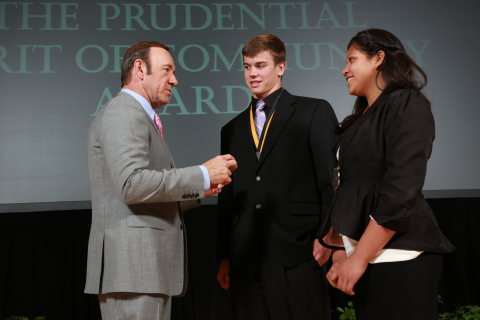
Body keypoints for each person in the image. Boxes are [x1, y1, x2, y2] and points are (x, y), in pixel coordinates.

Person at [84, 41, 237, 320]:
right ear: (140, 69)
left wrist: (200, 187)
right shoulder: (124, 111)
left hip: (142, 272)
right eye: (167, 70)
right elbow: (131, 184)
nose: (175, 80)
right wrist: (201, 174)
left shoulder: (139, 114)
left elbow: (141, 190)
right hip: (134, 270)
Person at [319, 29, 455, 320]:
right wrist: (340, 249)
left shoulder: (407, 102)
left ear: (379, 58)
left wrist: (359, 257)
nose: (344, 70)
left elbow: (400, 191)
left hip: (401, 259)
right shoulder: (360, 118)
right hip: (369, 260)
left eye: (351, 59)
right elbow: (349, 189)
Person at [216, 34, 338, 320]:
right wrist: (224, 255)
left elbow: (330, 181)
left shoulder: (313, 110)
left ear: (280, 67)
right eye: (247, 67)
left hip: (298, 249)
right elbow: (228, 196)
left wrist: (327, 237)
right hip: (245, 255)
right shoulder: (231, 129)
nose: (252, 74)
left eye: (260, 65)